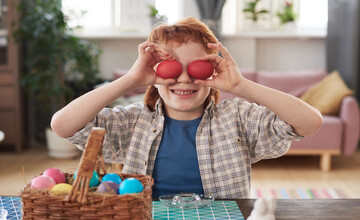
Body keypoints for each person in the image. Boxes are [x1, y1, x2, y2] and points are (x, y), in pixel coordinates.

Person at [51, 17, 322, 199]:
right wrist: (130, 80)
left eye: (196, 68)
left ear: (212, 72)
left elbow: (309, 123)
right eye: (171, 69)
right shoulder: (134, 121)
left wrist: (240, 85)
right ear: (153, 74)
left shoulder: (237, 117)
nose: (184, 78)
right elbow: (63, 125)